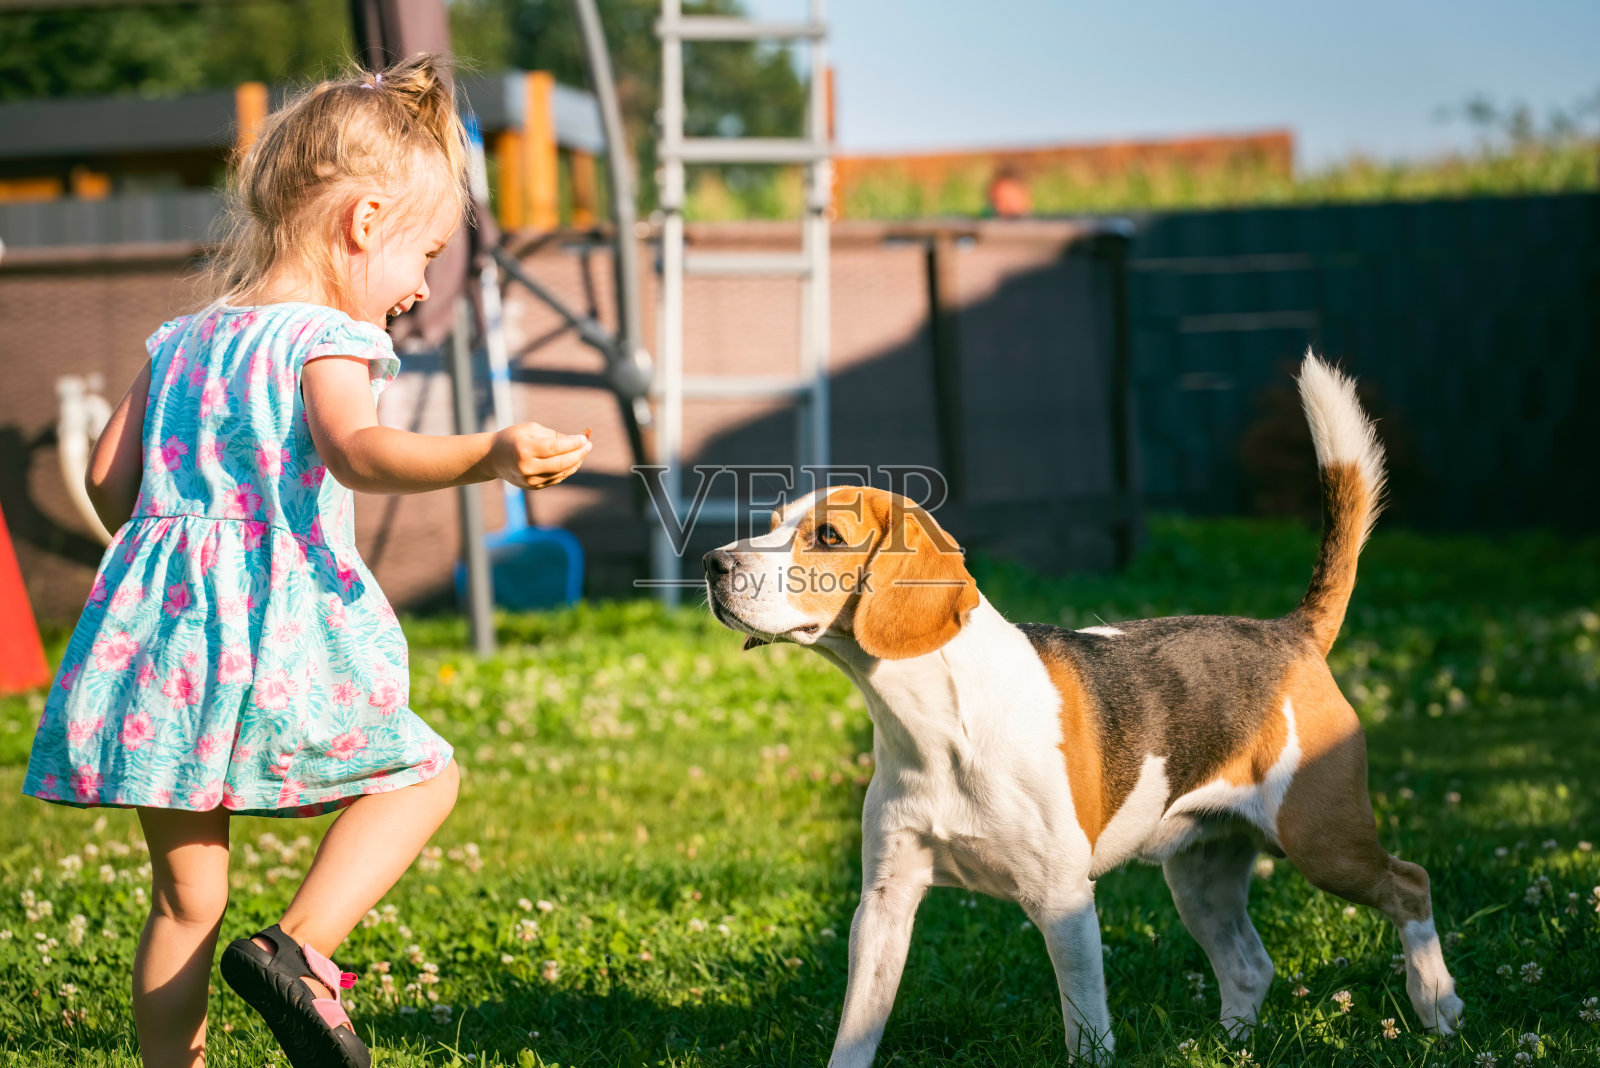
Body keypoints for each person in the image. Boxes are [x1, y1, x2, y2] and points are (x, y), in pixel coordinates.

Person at [20, 53, 592, 1068]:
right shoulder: (322, 337)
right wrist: (483, 451)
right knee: (422, 780)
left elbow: (110, 485)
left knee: (184, 898)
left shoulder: (181, 339)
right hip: (275, 628)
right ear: (364, 224)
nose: (419, 287)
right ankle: (300, 950)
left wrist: (177, 537)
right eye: (425, 254)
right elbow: (358, 451)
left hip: (160, 641)